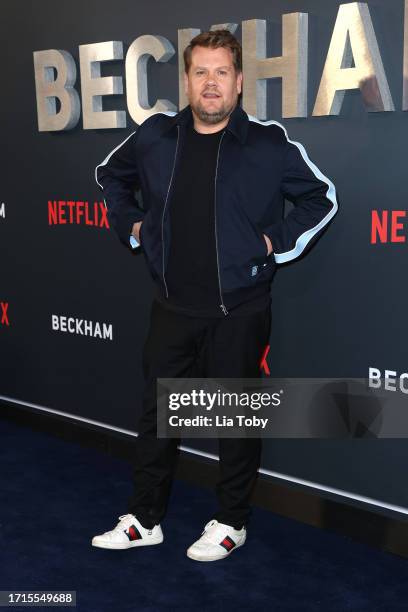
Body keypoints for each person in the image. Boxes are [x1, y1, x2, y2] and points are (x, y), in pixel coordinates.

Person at [91, 29, 338, 561]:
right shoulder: (157, 135)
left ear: (239, 81)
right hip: (172, 305)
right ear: (186, 80)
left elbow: (321, 198)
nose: (210, 83)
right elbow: (111, 175)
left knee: (235, 422)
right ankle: (145, 517)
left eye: (221, 72)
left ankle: (231, 521)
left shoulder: (268, 144)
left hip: (240, 310)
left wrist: (277, 243)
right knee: (159, 416)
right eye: (200, 72)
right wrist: (133, 226)